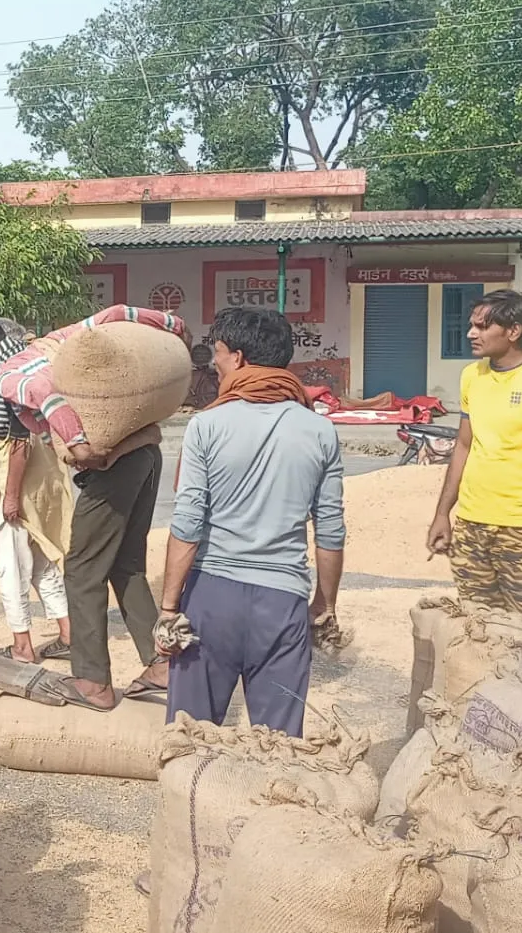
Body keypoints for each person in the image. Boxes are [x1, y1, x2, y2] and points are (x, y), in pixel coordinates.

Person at [157, 308, 344, 733]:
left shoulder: (207, 425)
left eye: (218, 353)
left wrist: (169, 607)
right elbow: (330, 531)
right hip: (283, 603)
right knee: (278, 749)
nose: (216, 364)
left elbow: (187, 524)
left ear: (237, 358)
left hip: (210, 599)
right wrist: (325, 604)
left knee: (192, 740)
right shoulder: (320, 430)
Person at [0, 303, 187, 710]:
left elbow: (44, 397)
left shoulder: (11, 372)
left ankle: (92, 680)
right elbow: (117, 312)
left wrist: (78, 443)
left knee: (82, 569)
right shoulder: (67, 342)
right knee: (126, 564)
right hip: (145, 453)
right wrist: (171, 323)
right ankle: (161, 664)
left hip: (113, 463)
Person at [426, 289, 522, 614]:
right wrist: (443, 514)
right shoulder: (472, 376)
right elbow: (464, 447)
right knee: (478, 631)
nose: (471, 333)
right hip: (472, 528)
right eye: (471, 325)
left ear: (513, 331)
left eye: (482, 327)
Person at [0, 318, 73, 664]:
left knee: (11, 568)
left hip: (11, 490)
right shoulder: (24, 371)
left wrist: (10, 496)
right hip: (37, 487)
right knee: (42, 562)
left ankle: (22, 646)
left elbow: (18, 443)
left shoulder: (5, 381)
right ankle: (69, 635)